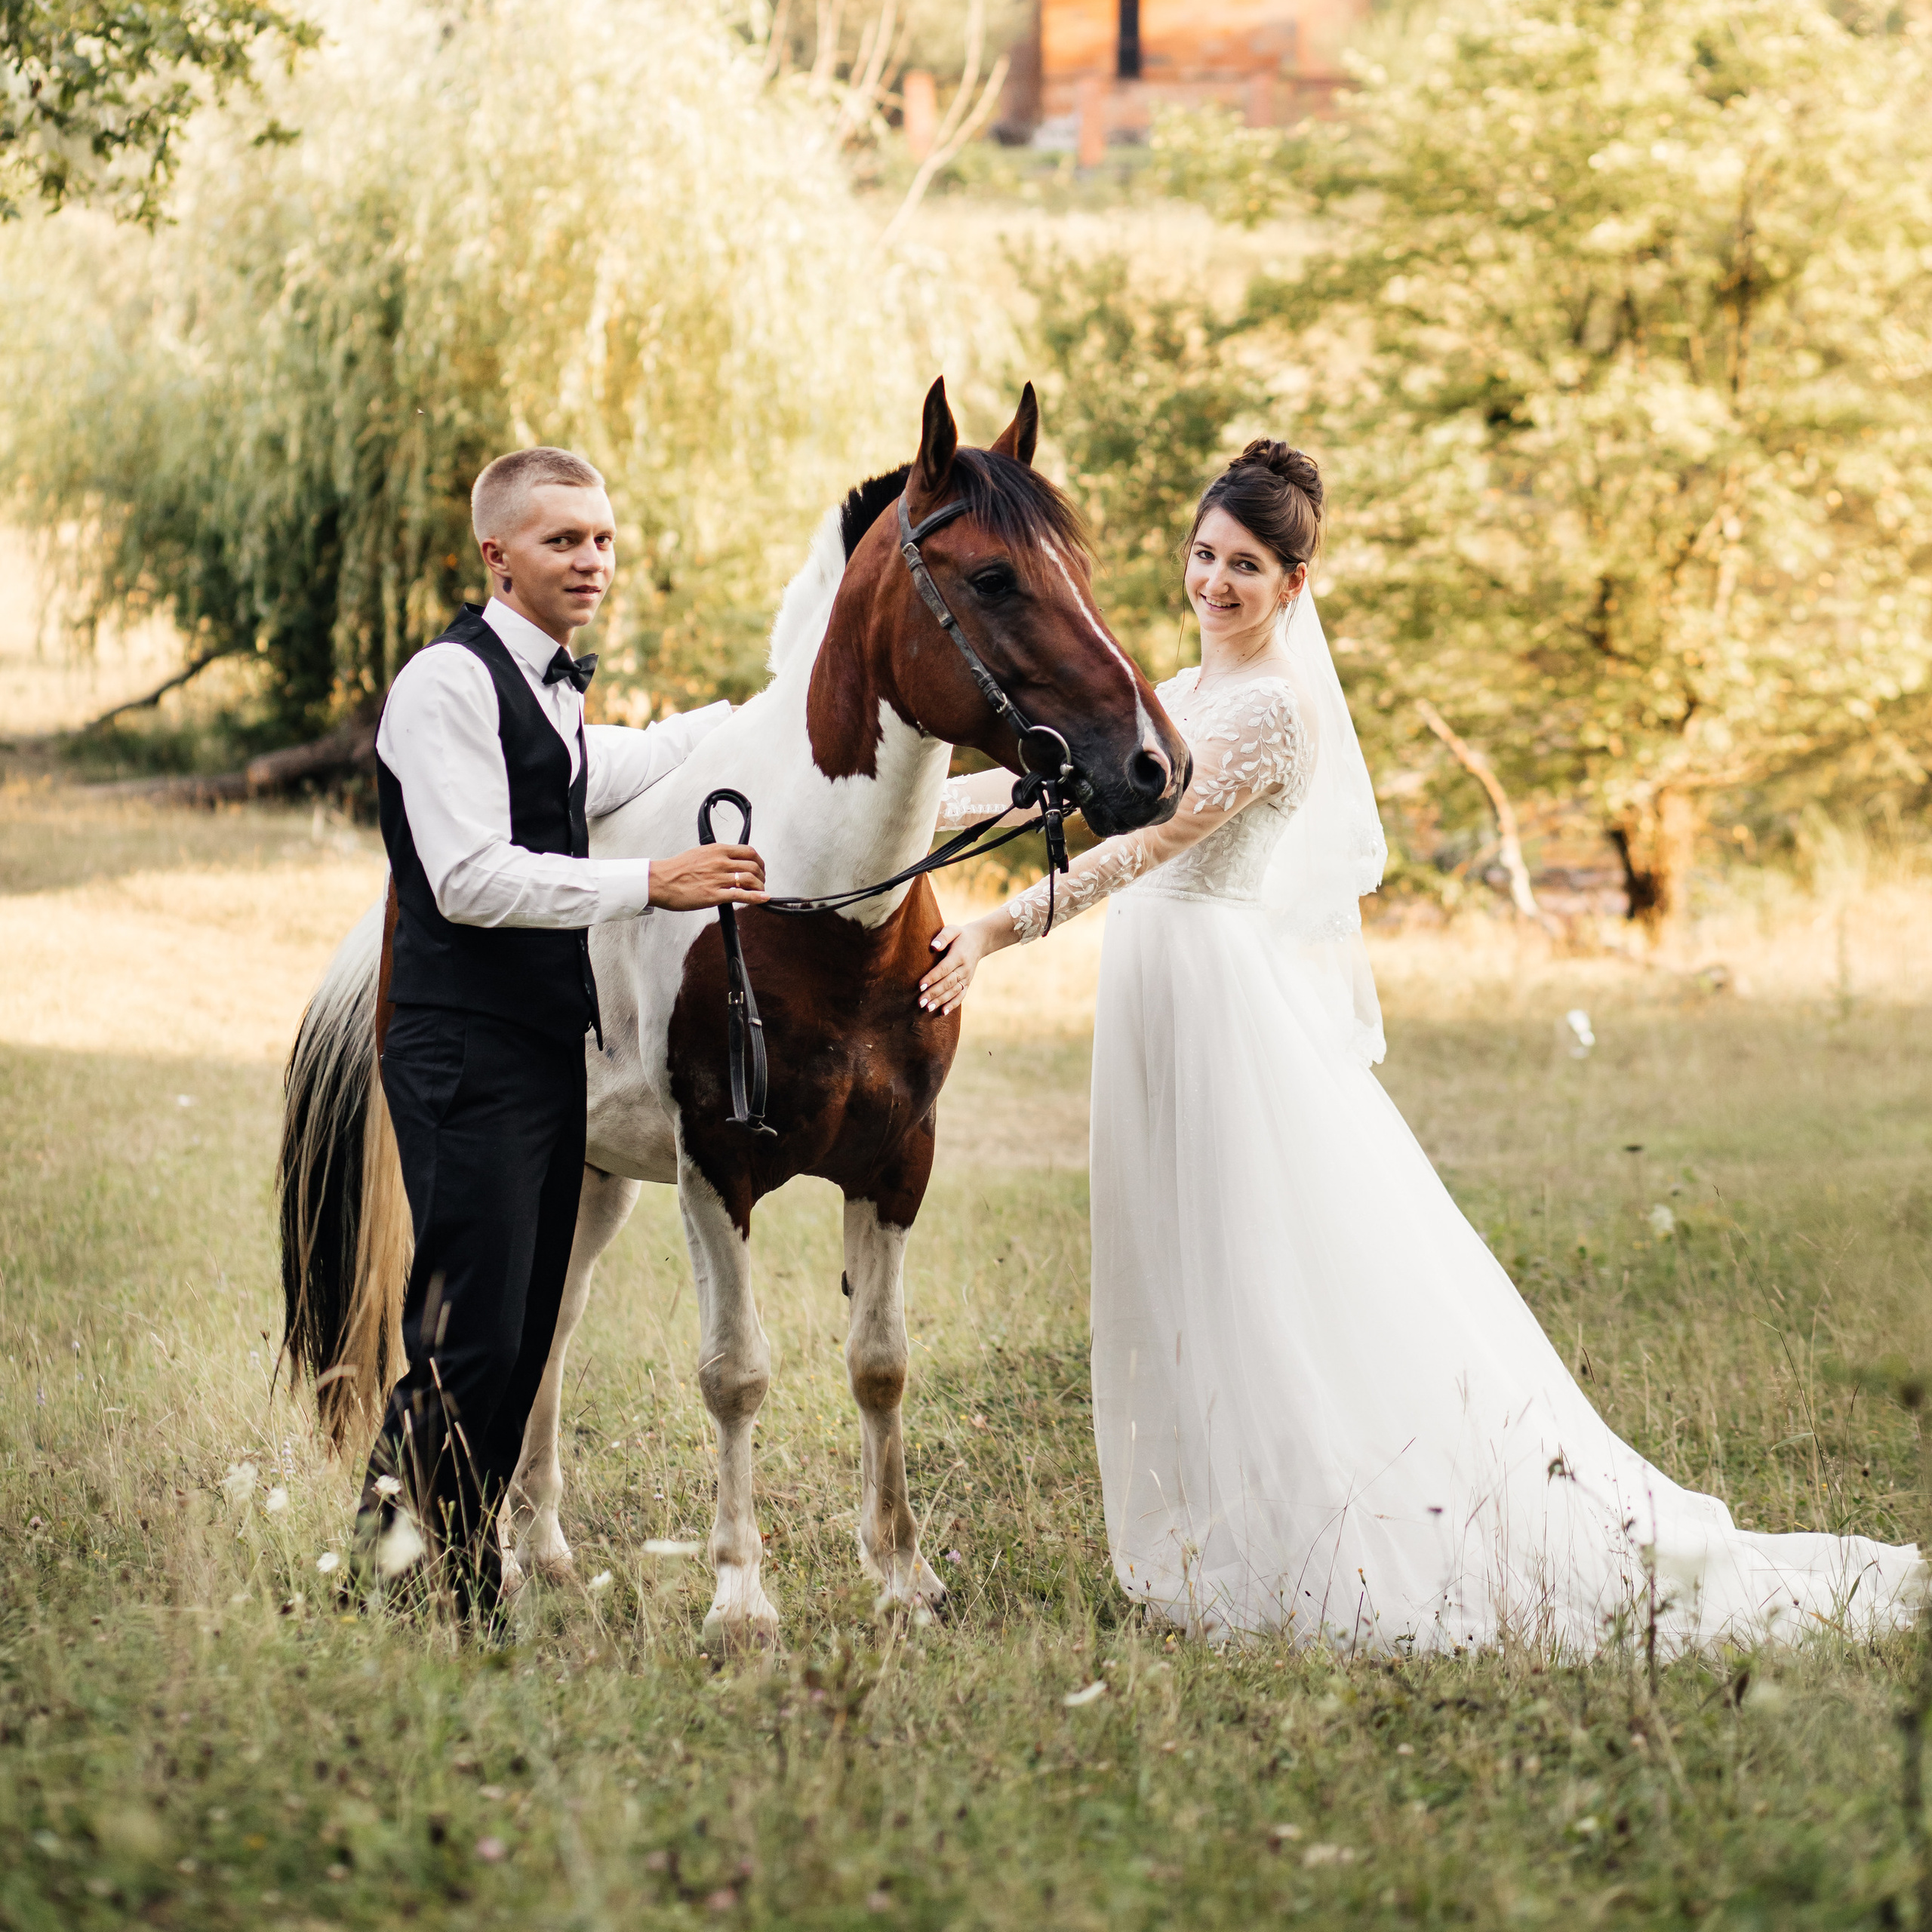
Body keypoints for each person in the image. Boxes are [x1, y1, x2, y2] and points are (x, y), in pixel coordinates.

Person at [921, 441, 1920, 1656]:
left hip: (1219, 998)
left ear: (1296, 582)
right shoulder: (1182, 684)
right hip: (1158, 992)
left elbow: (1145, 844)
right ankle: (1219, 1526)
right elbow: (1064, 786)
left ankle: (1321, 1536)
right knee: (1175, 1257)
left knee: (1254, 1271)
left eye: (1245, 564)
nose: (1215, 581)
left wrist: (997, 926)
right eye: (1202, 554)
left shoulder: (1276, 709)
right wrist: (909, 800)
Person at [362, 444, 765, 1618]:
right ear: (498, 554)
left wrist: (762, 715)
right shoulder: (444, 685)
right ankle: (391, 1572)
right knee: (468, 1337)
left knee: (521, 1331)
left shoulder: (552, 688)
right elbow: (470, 879)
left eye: (601, 539)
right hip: (458, 1049)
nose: (591, 560)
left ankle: (445, 1573)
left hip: (546, 1053)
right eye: (562, 540)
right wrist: (656, 881)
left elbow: (608, 765)